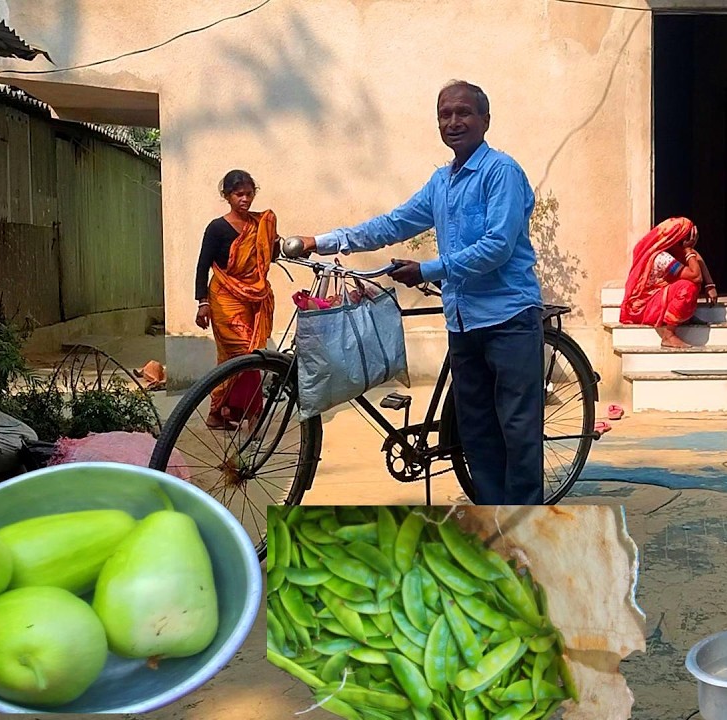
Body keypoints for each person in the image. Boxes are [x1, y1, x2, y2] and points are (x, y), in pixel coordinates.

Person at [291, 80, 545, 505]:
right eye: (445, 115)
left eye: (463, 112)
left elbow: (498, 246)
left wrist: (428, 269)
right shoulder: (440, 183)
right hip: (462, 321)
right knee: (476, 430)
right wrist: (323, 240)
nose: (453, 121)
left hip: (508, 318)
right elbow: (392, 224)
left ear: (485, 119)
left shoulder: (502, 173)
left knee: (518, 431)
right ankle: (490, 524)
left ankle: (526, 534)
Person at [193, 169, 280, 430]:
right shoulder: (217, 227)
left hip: (252, 297)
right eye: (238, 194)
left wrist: (274, 245)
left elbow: (268, 258)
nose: (244, 199)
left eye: (249, 194)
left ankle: (218, 413)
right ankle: (254, 414)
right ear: (227, 196)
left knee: (232, 360)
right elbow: (202, 265)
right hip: (223, 298)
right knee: (247, 353)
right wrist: (202, 302)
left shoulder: (260, 224)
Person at [619, 217, 719, 348]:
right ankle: (668, 335)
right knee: (689, 287)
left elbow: (696, 256)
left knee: (690, 271)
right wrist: (688, 250)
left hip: (651, 303)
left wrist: (710, 285)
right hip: (646, 308)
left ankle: (684, 317)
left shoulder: (668, 251)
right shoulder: (662, 258)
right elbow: (696, 276)